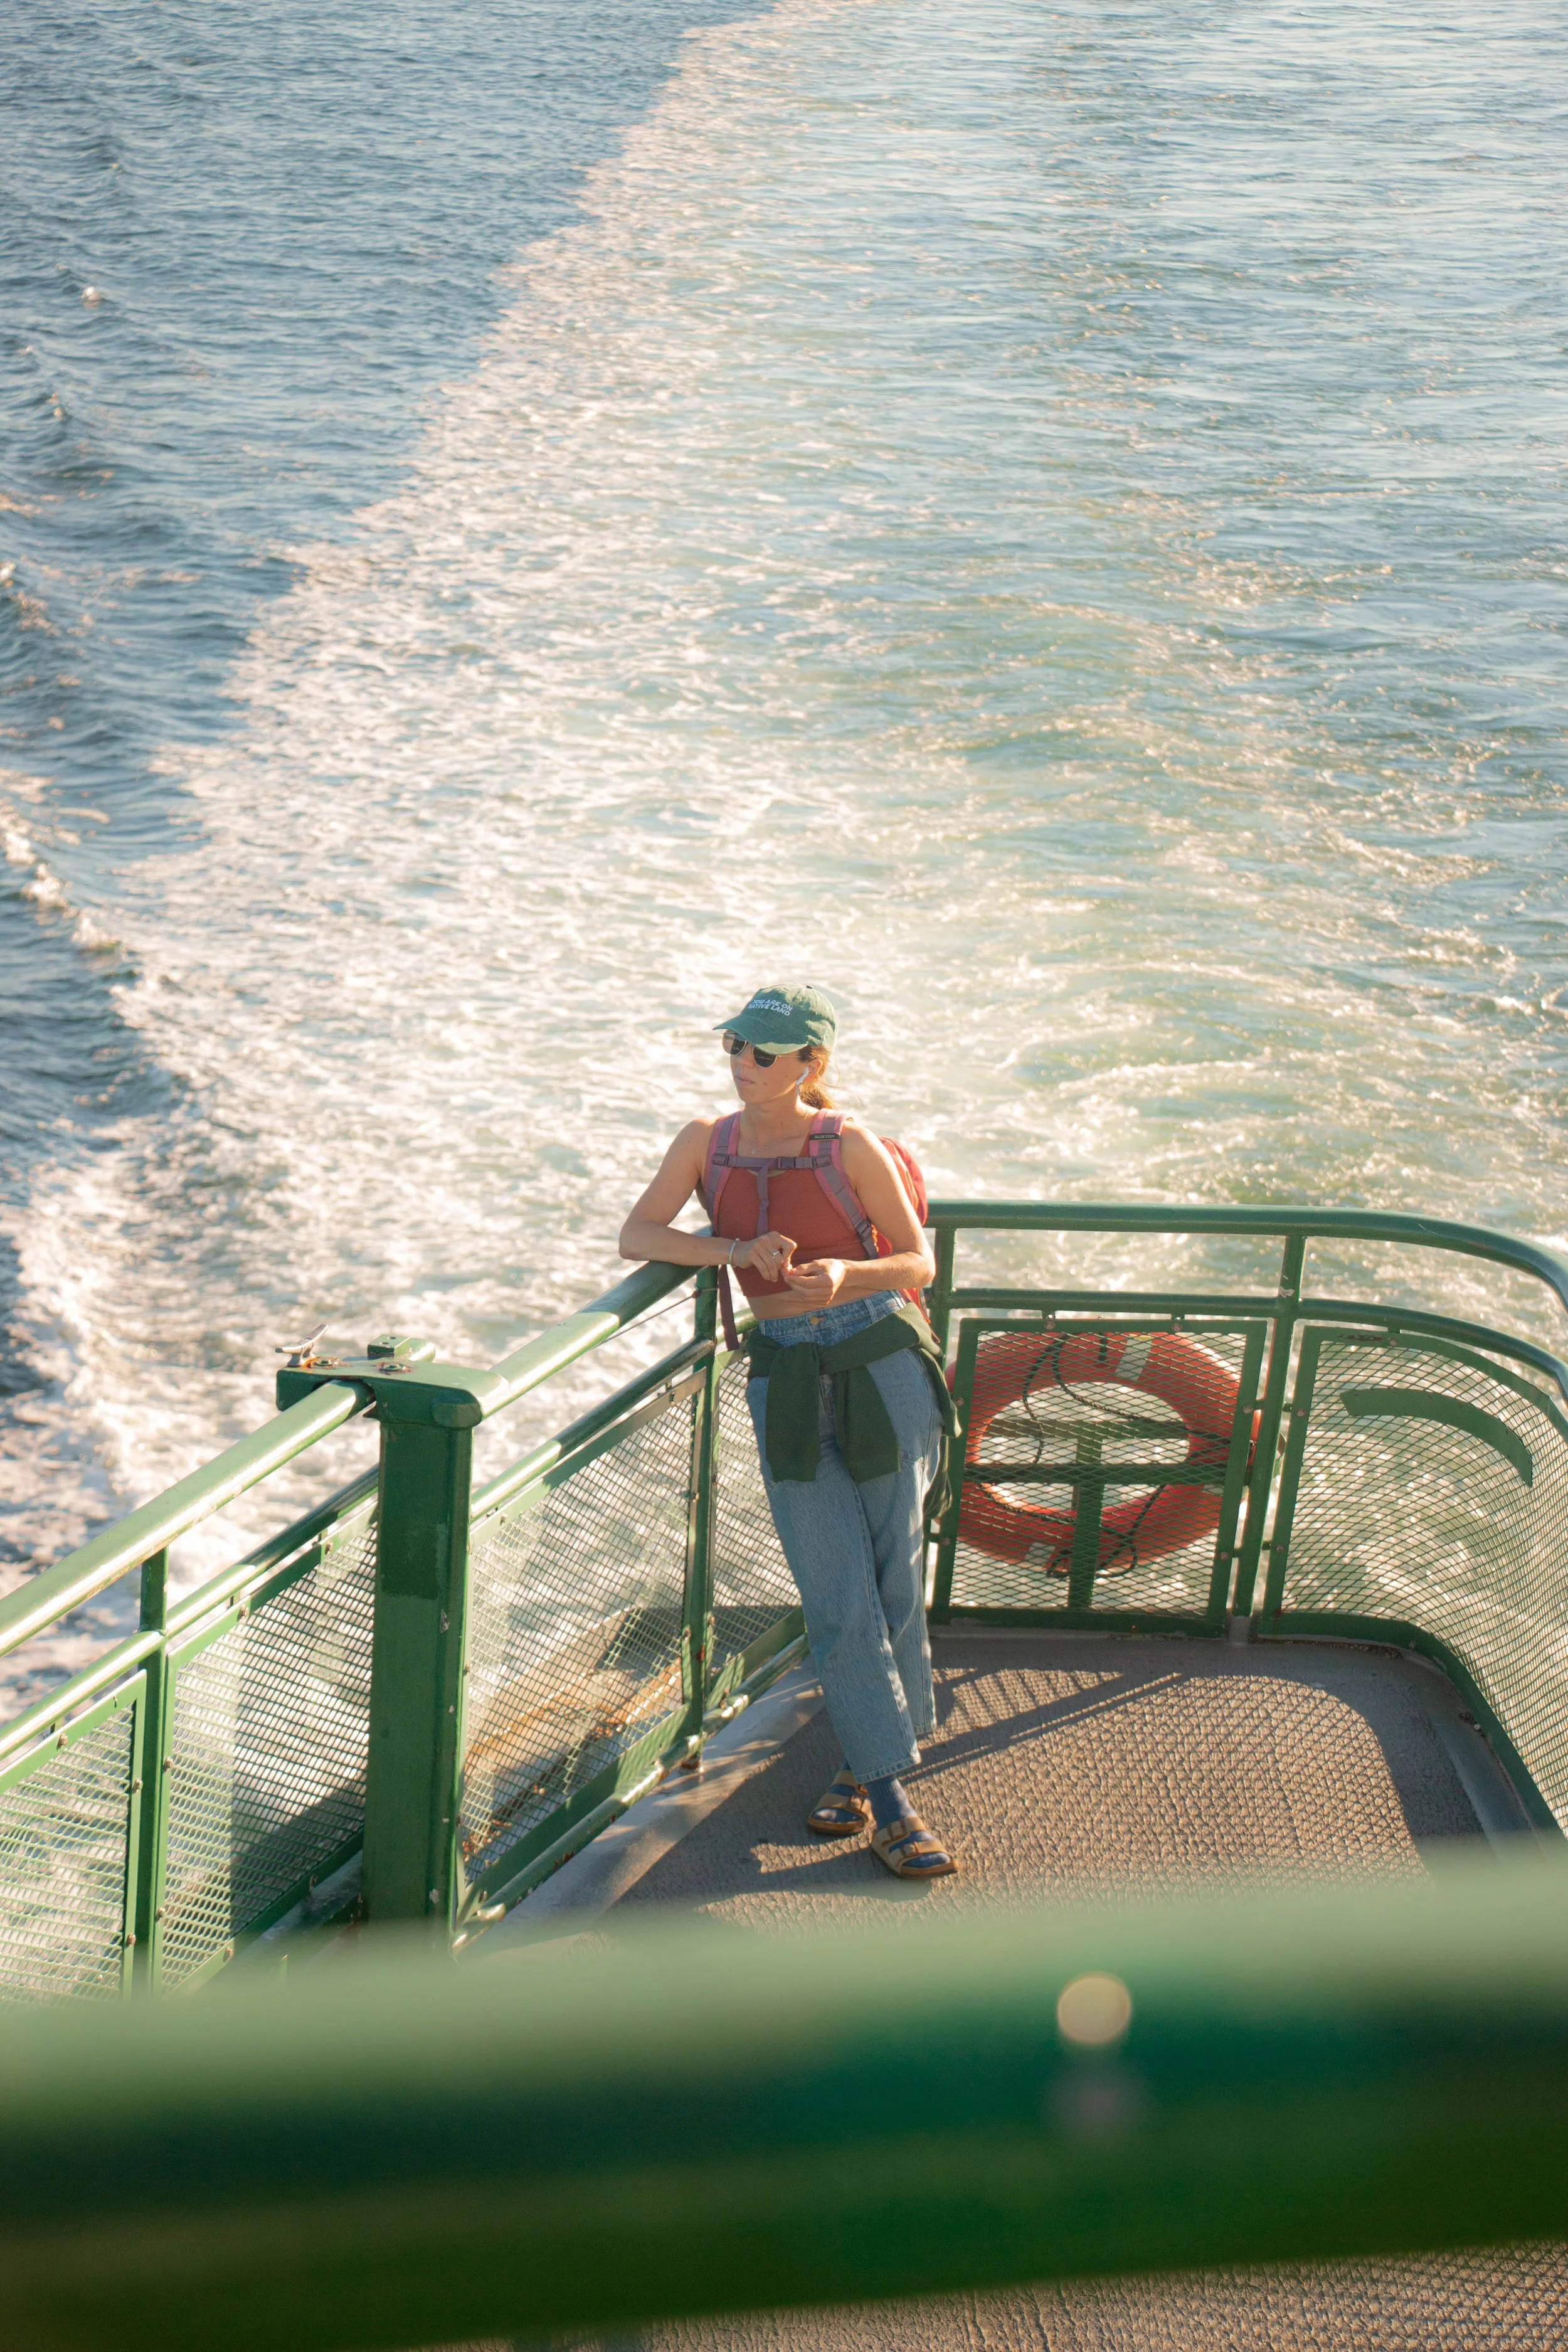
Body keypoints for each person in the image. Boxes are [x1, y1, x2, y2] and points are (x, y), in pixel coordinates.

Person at [619, 984, 959, 1879]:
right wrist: (734, 1252)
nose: (741, 1063)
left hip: (879, 1354)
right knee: (833, 1583)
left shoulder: (849, 1143)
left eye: (763, 1053)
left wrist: (846, 1274)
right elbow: (638, 1234)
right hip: (785, 1371)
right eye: (735, 1044)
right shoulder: (705, 1141)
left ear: (810, 1062)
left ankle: (862, 1762)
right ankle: (892, 1799)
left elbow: (916, 1257)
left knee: (893, 1568)